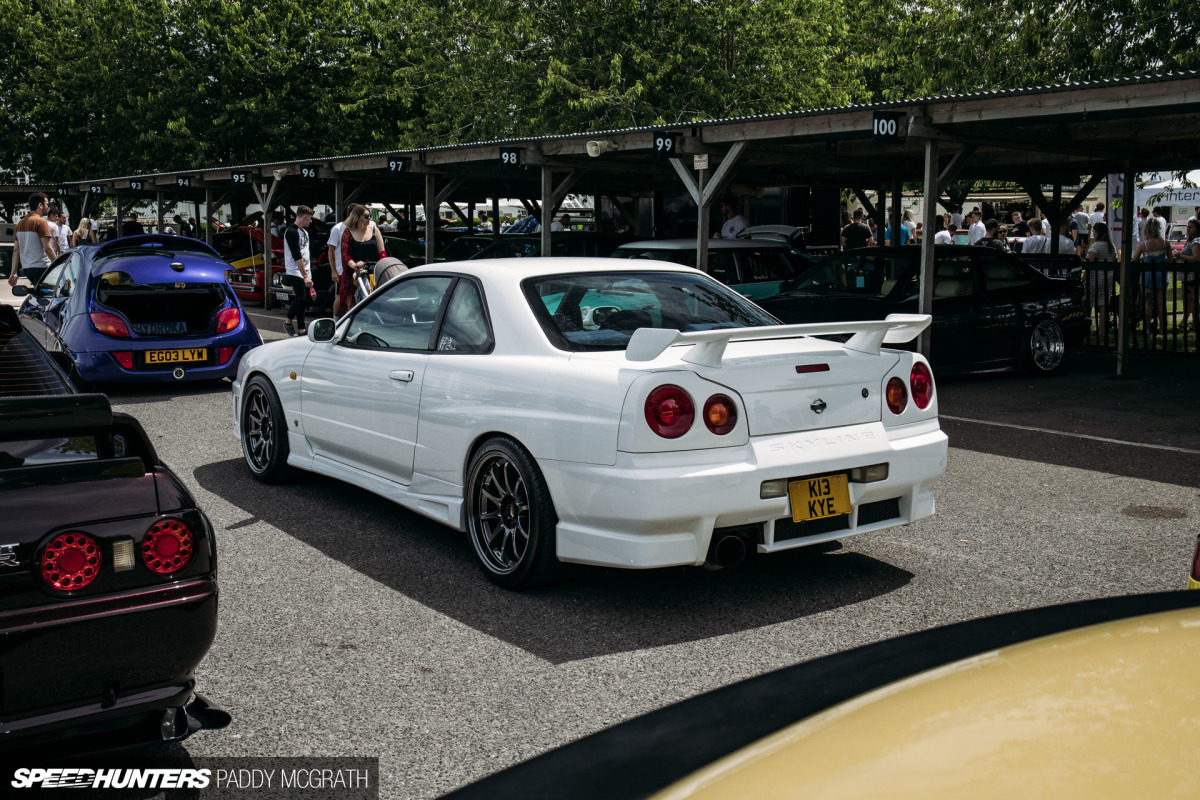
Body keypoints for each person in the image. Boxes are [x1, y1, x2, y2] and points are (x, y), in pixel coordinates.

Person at [336, 204, 386, 316]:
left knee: (374, 302)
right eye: (367, 216)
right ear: (358, 217)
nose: (370, 218)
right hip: (355, 273)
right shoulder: (348, 232)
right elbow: (344, 254)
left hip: (374, 271)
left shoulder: (374, 230)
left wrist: (381, 266)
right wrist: (354, 265)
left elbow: (382, 252)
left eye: (370, 216)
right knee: (352, 306)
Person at [1131, 217, 1174, 336]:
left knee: (1148, 303)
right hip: (1161, 275)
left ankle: (1147, 329)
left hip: (1147, 276)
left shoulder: (1144, 244)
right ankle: (1162, 328)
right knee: (1161, 303)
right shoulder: (1165, 243)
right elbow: (1171, 260)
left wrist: (1142, 259)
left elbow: (1134, 260)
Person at [8, 192, 57, 288]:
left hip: (27, 268)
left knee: (39, 294)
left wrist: (13, 273)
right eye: (47, 204)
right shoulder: (41, 222)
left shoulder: (19, 224)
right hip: (41, 266)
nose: (48, 207)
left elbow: (16, 250)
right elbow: (47, 248)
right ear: (40, 205)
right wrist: (58, 266)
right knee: (52, 295)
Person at [281, 205, 315, 337]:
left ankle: (301, 328)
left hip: (305, 270)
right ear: (304, 217)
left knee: (304, 300)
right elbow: (296, 255)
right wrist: (305, 276)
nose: (310, 221)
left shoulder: (304, 232)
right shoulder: (291, 232)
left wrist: (308, 273)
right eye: (310, 219)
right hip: (295, 270)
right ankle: (288, 321)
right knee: (301, 297)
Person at [327, 202, 362, 319]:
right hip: (342, 269)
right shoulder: (338, 228)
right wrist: (333, 270)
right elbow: (331, 250)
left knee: (354, 296)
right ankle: (336, 321)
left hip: (356, 267)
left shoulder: (359, 227)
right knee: (341, 297)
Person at [1085, 221, 1118, 339]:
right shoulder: (1111, 246)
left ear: (1098, 233)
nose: (1093, 234)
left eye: (1094, 232)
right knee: (1103, 304)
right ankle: (1102, 330)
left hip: (1095, 279)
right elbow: (1114, 260)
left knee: (1088, 302)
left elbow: (1090, 261)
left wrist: (1084, 277)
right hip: (1107, 279)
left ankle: (1085, 327)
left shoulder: (1096, 246)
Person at [1174, 218, 1200, 333]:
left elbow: (1195, 258)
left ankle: (1195, 323)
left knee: (1192, 299)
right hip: (1185, 274)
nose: (1188, 229)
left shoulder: (1196, 241)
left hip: (1192, 274)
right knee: (1185, 298)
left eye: (1191, 227)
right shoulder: (1190, 240)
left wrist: (1180, 255)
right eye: (1187, 227)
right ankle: (1185, 320)